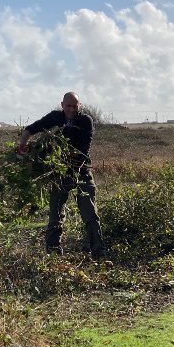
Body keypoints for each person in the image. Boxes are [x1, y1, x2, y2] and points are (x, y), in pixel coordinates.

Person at [16, 92, 106, 258]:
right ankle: (53, 256)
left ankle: (99, 253)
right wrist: (22, 146)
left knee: (90, 215)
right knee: (55, 217)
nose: (71, 109)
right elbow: (30, 129)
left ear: (80, 105)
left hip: (81, 173)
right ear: (62, 105)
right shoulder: (54, 117)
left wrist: (73, 172)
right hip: (58, 174)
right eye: (68, 106)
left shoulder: (86, 121)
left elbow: (82, 152)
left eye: (75, 106)